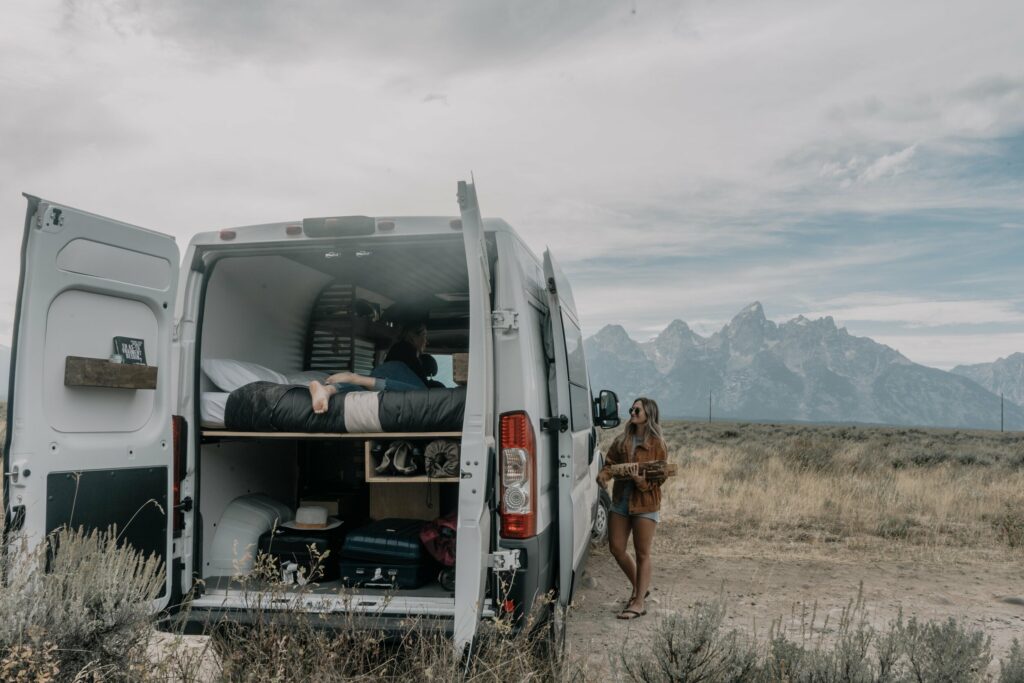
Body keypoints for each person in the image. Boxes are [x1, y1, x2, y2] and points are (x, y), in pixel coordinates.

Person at [596, 397, 668, 620]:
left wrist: (641, 482)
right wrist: (604, 476)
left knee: (642, 552)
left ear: (649, 413)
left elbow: (661, 476)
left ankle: (638, 602)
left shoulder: (657, 444)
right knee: (616, 548)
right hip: (620, 502)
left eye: (637, 409)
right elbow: (610, 463)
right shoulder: (623, 439)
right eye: (632, 409)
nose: (633, 412)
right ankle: (641, 587)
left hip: (645, 503)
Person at [307, 322, 430, 414]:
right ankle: (353, 378)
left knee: (363, 389)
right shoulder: (405, 349)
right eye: (424, 335)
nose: (426, 340)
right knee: (424, 396)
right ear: (412, 336)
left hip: (387, 375)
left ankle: (328, 389)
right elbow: (415, 384)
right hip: (394, 372)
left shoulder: (402, 349)